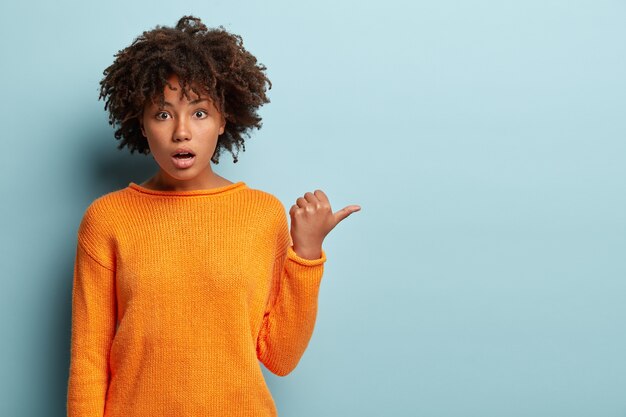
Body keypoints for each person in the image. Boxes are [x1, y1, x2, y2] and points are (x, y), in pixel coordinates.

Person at [66, 15, 360, 417]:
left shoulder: (261, 215)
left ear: (224, 119)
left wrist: (307, 253)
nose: (181, 132)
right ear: (141, 122)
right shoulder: (108, 219)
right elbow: (88, 361)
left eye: (200, 112)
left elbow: (280, 357)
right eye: (163, 114)